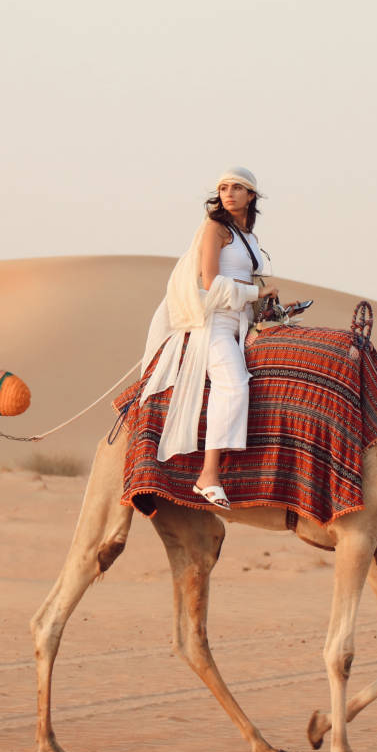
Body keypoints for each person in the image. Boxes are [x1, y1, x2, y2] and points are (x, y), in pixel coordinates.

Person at [139, 166, 282, 509]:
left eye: (237, 187)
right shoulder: (214, 229)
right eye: (223, 188)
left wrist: (267, 302)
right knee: (233, 384)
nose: (228, 193)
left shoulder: (248, 238)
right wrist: (251, 294)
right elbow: (209, 282)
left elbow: (247, 285)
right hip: (215, 322)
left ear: (251, 196)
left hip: (241, 322)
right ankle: (208, 475)